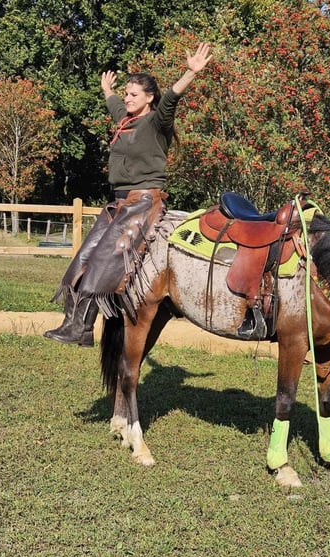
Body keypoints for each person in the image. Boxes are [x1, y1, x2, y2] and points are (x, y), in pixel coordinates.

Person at [44, 42, 213, 346]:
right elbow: (115, 106)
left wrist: (190, 72)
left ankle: (82, 328)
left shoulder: (156, 122)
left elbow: (171, 99)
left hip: (144, 202)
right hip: (118, 204)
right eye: (126, 93)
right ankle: (74, 326)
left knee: (102, 265)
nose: (128, 98)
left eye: (134, 94)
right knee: (81, 260)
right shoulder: (126, 122)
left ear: (149, 98)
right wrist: (107, 90)